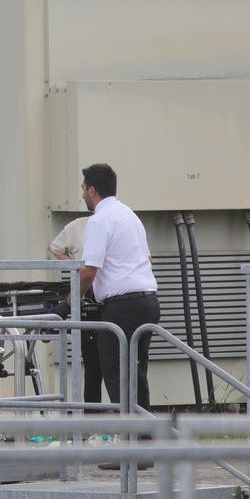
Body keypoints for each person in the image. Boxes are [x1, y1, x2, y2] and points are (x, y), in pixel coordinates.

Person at [77, 163, 159, 411]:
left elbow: (90, 270)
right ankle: (145, 440)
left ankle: (131, 439)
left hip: (122, 308)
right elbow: (148, 260)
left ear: (92, 190)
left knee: (116, 374)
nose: (81, 194)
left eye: (82, 189)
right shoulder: (129, 215)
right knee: (136, 375)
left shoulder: (100, 220)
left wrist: (70, 300)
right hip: (148, 303)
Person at [49, 215, 102, 408]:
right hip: (89, 295)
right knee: (93, 366)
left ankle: (113, 421)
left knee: (104, 366)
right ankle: (95, 420)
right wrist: (76, 271)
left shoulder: (106, 223)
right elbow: (56, 247)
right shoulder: (78, 226)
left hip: (103, 297)